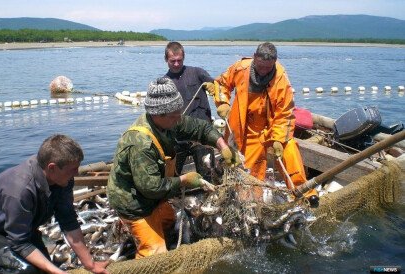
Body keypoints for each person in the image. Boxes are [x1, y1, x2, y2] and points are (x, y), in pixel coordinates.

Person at [107, 77, 241, 259]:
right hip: (134, 202)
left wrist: (222, 146)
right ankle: (132, 230)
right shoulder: (140, 143)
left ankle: (150, 231)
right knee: (156, 255)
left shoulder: (169, 121)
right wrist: (184, 180)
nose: (179, 117)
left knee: (169, 221)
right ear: (158, 115)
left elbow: (199, 128)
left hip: (155, 196)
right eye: (174, 114)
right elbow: (151, 188)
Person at [0, 135, 109, 274]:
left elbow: (68, 221)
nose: (76, 173)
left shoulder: (63, 180)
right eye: (73, 169)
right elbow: (19, 242)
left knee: (44, 268)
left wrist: (90, 264)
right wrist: (57, 272)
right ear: (52, 167)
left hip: (24, 229)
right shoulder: (20, 189)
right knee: (26, 271)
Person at [208, 42, 319, 206]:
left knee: (289, 152)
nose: (263, 71)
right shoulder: (241, 68)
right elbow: (221, 83)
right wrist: (223, 102)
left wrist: (278, 139)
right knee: (250, 171)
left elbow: (285, 112)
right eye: (260, 66)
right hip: (245, 127)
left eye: (268, 68)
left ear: (274, 62)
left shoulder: (281, 78)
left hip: (272, 127)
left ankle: (305, 194)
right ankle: (251, 203)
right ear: (254, 57)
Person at [164, 41, 216, 182]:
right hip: (177, 138)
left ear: (184, 58)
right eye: (172, 61)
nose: (176, 64)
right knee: (172, 177)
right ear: (166, 60)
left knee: (208, 174)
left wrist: (214, 87)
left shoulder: (197, 72)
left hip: (202, 136)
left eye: (179, 60)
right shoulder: (164, 83)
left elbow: (219, 87)